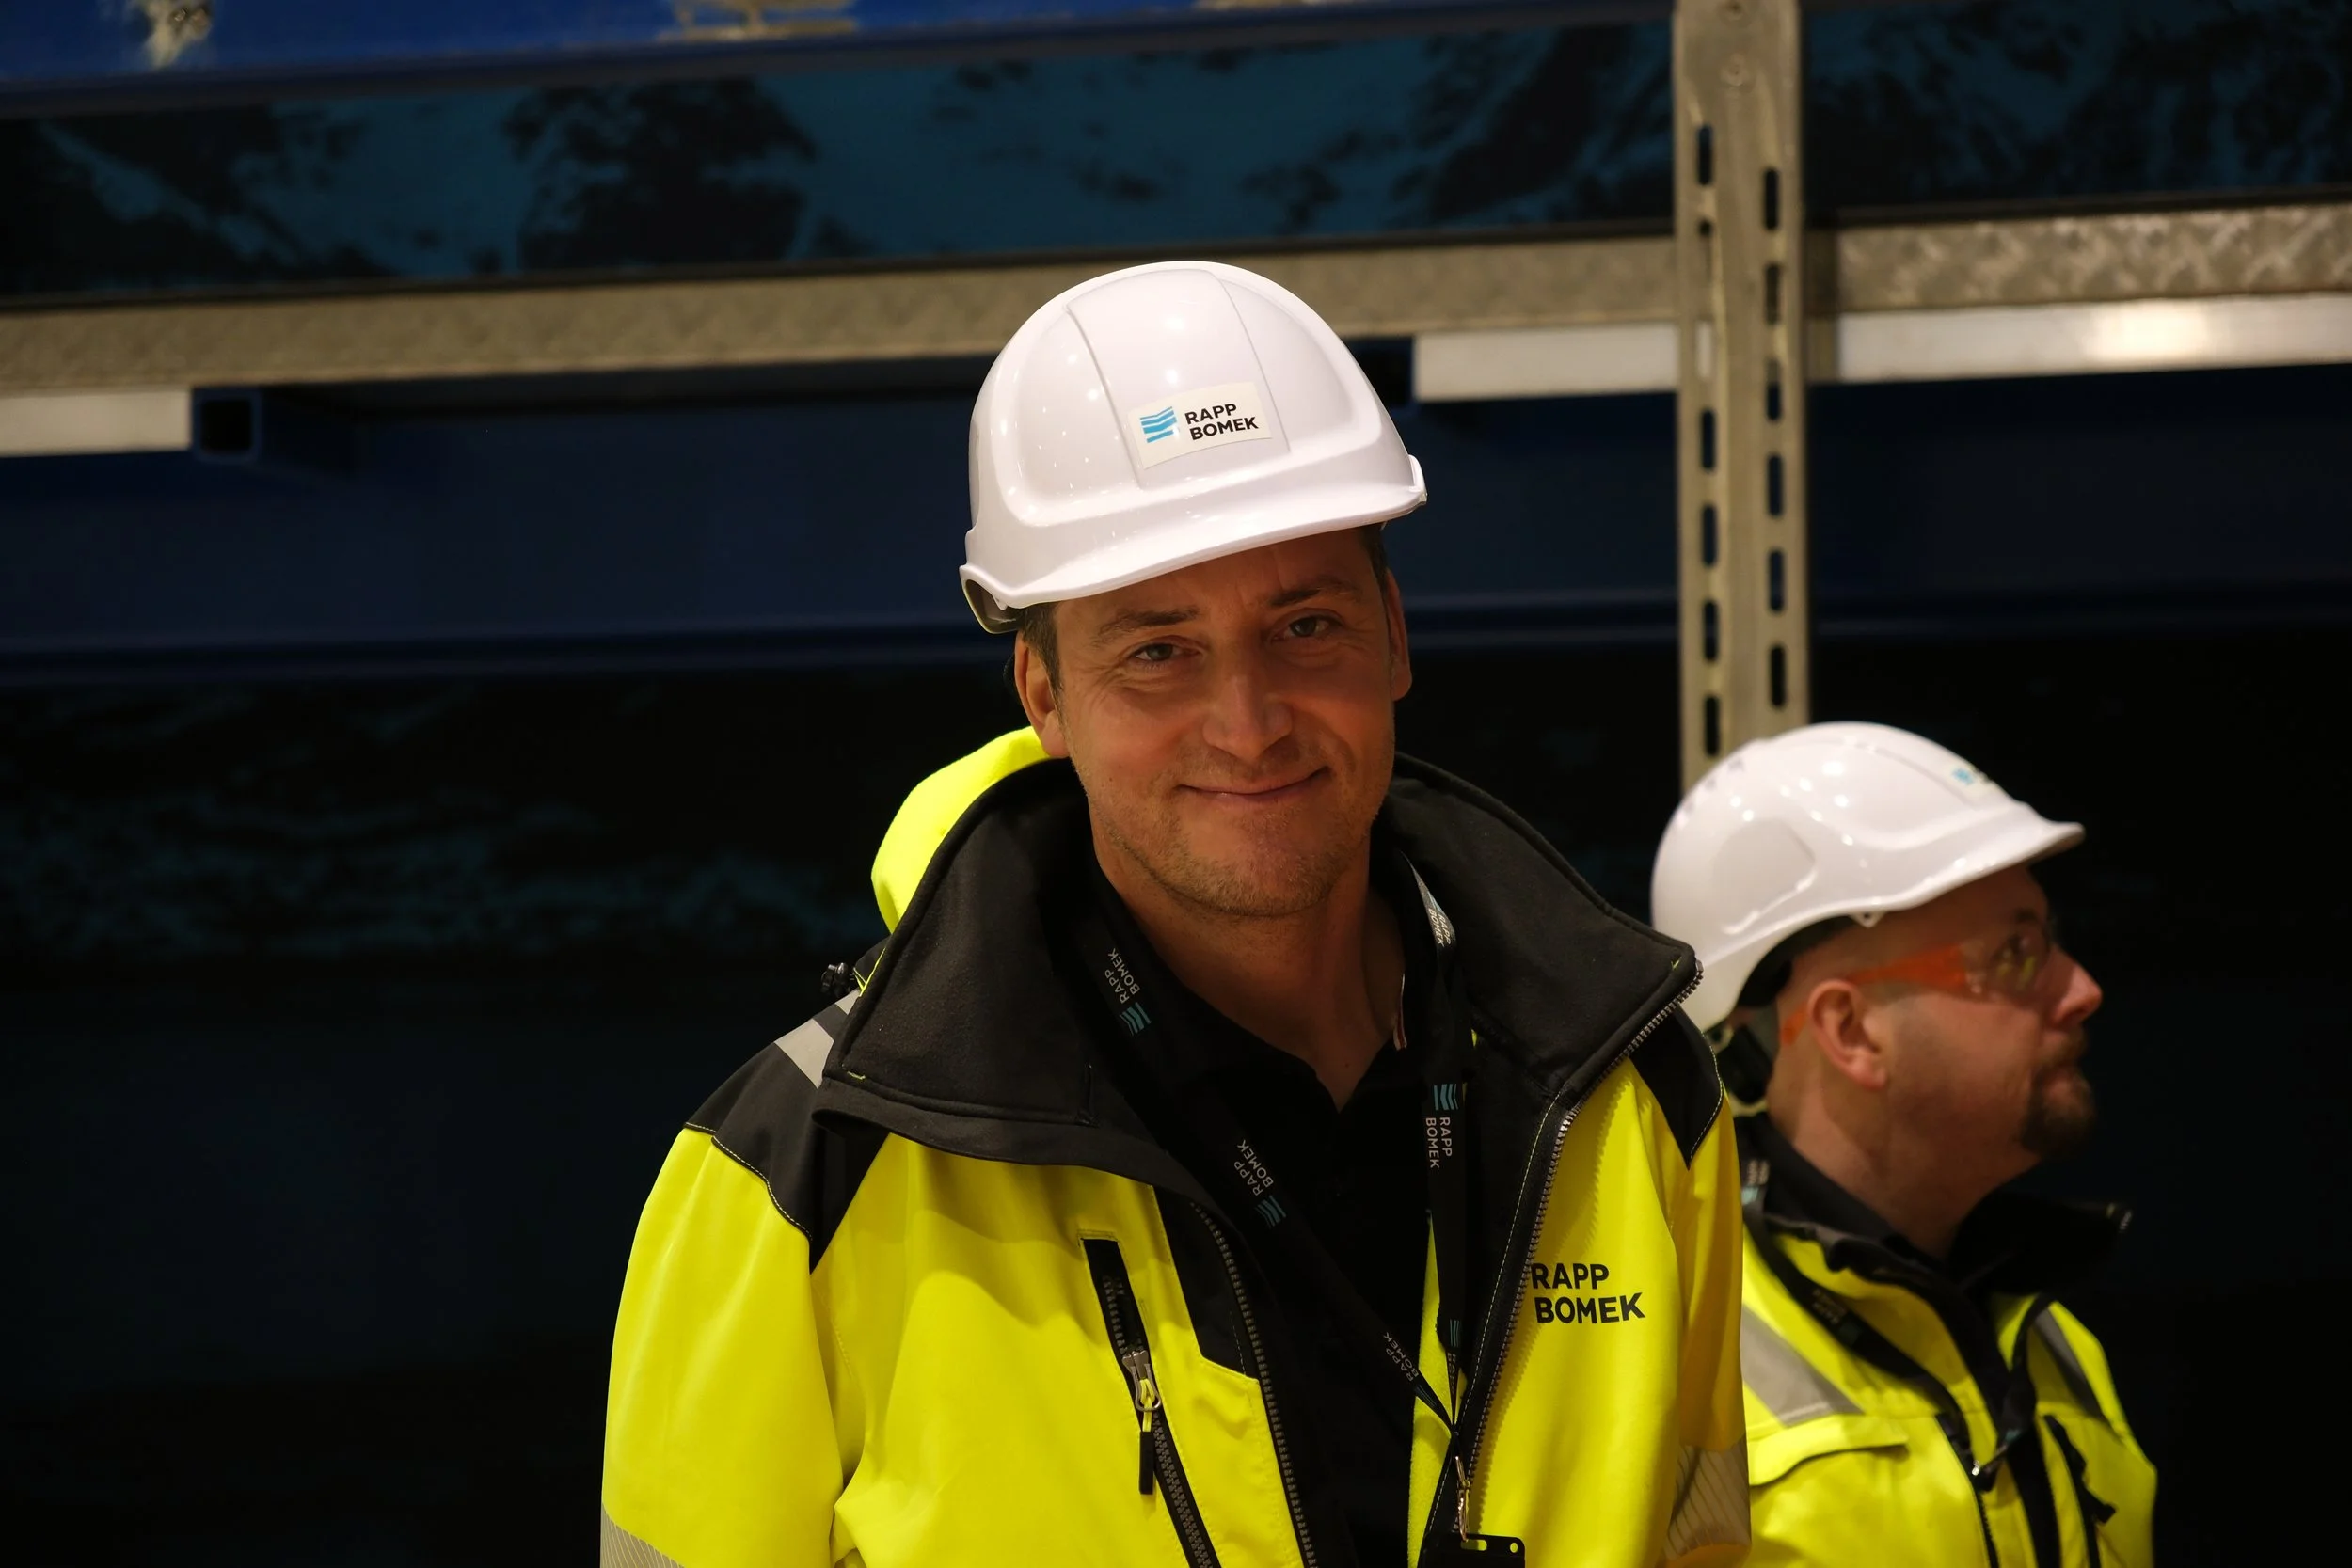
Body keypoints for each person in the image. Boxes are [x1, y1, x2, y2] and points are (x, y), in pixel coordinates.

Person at [600, 260, 1749, 1568]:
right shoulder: (805, 1164)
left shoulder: (1632, 1083)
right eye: (1157, 649)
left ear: (1393, 635)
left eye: (1305, 623)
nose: (1249, 722)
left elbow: (1700, 1535)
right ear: (1044, 694)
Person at [1649, 721, 2156, 1567]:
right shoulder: (1674, 1370)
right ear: (1852, 1030)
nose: (2083, 989)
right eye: (2017, 953)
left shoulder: (2056, 1342)